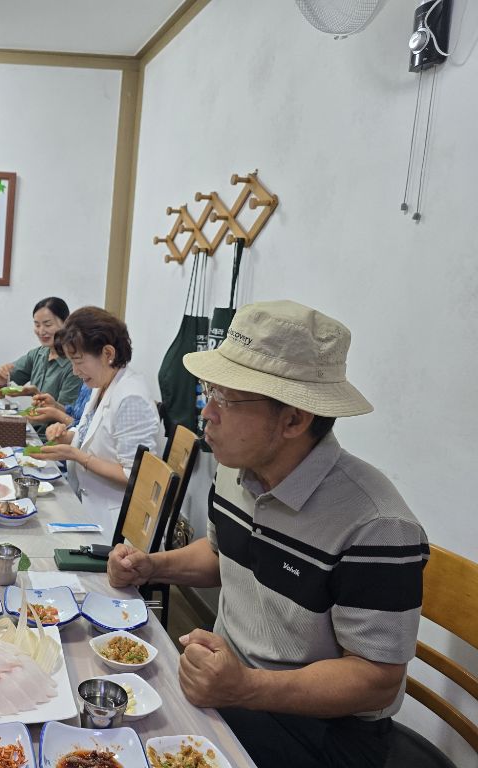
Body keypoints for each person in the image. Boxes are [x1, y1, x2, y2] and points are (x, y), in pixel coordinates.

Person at [106, 300, 428, 768]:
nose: (206, 413)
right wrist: (152, 566)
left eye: (225, 399)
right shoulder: (237, 469)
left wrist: (246, 687)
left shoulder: (376, 525)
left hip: (321, 733)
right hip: (232, 687)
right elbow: (223, 556)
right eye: (209, 392)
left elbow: (376, 678)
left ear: (294, 419)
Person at [33, 307, 163, 538]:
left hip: (115, 522)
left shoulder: (131, 397)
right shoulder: (103, 383)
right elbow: (95, 435)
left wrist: (77, 456)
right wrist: (67, 436)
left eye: (78, 361)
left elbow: (135, 475)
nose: (75, 371)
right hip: (86, 500)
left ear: (107, 353)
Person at [0, 297, 83, 410]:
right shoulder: (37, 354)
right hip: (34, 420)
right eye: (37, 325)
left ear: (65, 323)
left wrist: (36, 393)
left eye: (48, 325)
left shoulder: (74, 364)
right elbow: (6, 381)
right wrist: (1, 376)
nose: (41, 331)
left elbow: (68, 413)